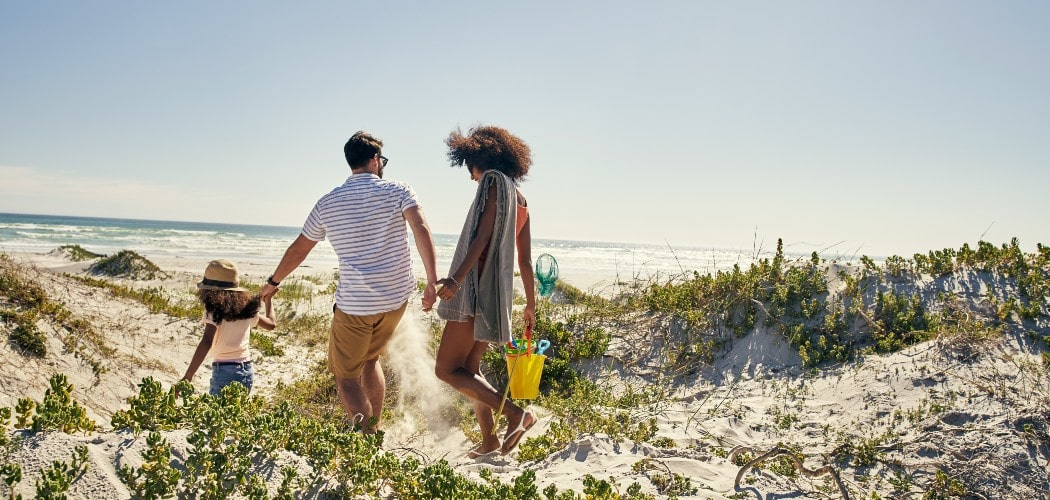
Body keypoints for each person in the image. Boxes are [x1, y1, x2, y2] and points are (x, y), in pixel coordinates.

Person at [260, 131, 438, 434]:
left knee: (346, 378)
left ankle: (367, 438)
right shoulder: (399, 190)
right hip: (395, 303)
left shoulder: (328, 202)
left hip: (356, 306)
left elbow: (300, 248)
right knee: (370, 361)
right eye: (381, 159)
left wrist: (274, 281)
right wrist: (432, 281)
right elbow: (421, 228)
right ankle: (375, 428)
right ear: (374, 160)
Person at [434, 125, 537, 457]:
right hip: (497, 296)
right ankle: (490, 440)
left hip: (476, 291)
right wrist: (530, 306)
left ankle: (517, 415)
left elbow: (481, 238)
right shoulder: (520, 199)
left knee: (446, 370)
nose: (472, 177)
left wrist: (456, 280)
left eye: (470, 168)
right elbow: (525, 262)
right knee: (470, 371)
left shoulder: (493, 182)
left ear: (480, 159)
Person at [182, 259, 277, 395]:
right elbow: (271, 324)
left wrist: (188, 375)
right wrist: (268, 300)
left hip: (224, 372)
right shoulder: (246, 307)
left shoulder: (213, 309)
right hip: (247, 370)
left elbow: (206, 341)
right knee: (236, 414)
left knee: (217, 415)